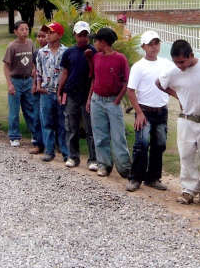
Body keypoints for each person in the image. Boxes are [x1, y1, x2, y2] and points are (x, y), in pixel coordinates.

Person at [157, 40, 200, 208]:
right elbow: (159, 83)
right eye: (176, 62)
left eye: (182, 62)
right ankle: (188, 189)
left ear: (191, 56)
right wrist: (178, 95)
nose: (180, 66)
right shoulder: (173, 72)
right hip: (186, 120)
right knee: (187, 156)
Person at [126, 30, 174, 192]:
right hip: (145, 110)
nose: (154, 47)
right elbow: (131, 91)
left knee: (159, 144)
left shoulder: (166, 63)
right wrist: (139, 113)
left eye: (156, 43)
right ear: (143, 46)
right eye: (150, 44)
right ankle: (135, 177)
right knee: (141, 143)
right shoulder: (139, 67)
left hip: (161, 111)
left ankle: (153, 177)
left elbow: (173, 81)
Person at [87, 28, 132, 178]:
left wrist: (117, 99)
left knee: (118, 136)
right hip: (97, 99)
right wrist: (90, 98)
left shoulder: (120, 59)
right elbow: (94, 77)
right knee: (100, 135)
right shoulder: (96, 57)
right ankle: (104, 164)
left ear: (103, 42)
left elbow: (126, 81)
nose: (94, 44)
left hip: (112, 100)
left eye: (96, 41)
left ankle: (124, 167)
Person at [57, 21, 98, 170]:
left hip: (87, 94)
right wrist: (60, 91)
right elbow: (65, 73)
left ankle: (93, 159)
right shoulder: (69, 53)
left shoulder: (94, 51)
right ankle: (73, 156)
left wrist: (89, 59)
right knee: (71, 127)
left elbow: (94, 74)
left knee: (90, 128)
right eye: (80, 35)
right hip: (72, 94)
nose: (83, 38)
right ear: (74, 35)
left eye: (85, 35)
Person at [3, 20, 40, 148]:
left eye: (26, 29)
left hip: (28, 80)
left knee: (30, 108)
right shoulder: (12, 47)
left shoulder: (30, 43)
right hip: (16, 80)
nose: (24, 32)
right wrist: (9, 84)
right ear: (15, 32)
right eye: (21, 29)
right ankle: (14, 136)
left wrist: (34, 69)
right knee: (14, 110)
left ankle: (35, 134)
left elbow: (33, 60)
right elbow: (6, 66)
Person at [36, 22, 69, 162]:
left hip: (61, 93)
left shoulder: (66, 52)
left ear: (59, 35)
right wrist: (38, 86)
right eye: (46, 32)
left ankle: (66, 152)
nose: (48, 35)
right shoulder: (42, 52)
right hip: (46, 91)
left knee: (63, 123)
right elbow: (38, 71)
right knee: (47, 122)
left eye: (51, 32)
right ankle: (49, 151)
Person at [29, 27, 48, 154]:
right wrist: (34, 84)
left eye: (43, 36)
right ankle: (38, 143)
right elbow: (35, 70)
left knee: (51, 118)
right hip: (37, 88)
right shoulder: (36, 52)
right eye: (39, 36)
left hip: (49, 88)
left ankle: (54, 143)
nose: (41, 39)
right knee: (37, 117)